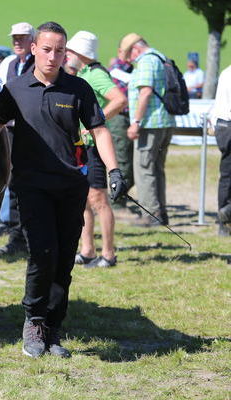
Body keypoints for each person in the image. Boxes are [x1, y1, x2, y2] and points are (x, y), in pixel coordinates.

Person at [0, 22, 126, 359]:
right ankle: (33, 323)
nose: (53, 56)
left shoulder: (78, 88)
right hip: (31, 186)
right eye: (47, 49)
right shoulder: (15, 89)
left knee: (64, 259)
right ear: (34, 48)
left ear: (66, 52)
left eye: (60, 50)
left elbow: (99, 130)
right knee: (42, 254)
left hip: (71, 186)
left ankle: (53, 329)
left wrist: (114, 170)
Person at [65, 30, 127, 269]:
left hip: (95, 147)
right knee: (84, 200)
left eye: (69, 51)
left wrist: (95, 122)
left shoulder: (95, 75)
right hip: (85, 147)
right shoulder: (85, 73)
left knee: (99, 200)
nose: (66, 55)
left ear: (80, 53)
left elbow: (119, 99)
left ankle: (109, 254)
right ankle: (88, 249)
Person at [121, 33, 175, 226]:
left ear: (136, 48)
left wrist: (136, 121)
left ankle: (150, 216)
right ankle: (161, 213)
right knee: (157, 169)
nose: (130, 59)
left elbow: (145, 92)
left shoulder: (145, 62)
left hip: (150, 124)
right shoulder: (161, 58)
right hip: (165, 122)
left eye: (130, 55)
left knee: (144, 169)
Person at [0, 22, 35, 258]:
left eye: (22, 38)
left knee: (28, 180)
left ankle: (27, 234)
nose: (17, 42)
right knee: (12, 181)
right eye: (15, 38)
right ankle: (17, 235)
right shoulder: (9, 63)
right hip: (10, 130)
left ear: (32, 40)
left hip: (31, 131)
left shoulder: (37, 64)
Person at [108, 46, 135, 211]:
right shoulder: (117, 70)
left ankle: (118, 198)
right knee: (123, 160)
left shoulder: (130, 69)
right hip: (120, 118)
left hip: (128, 118)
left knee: (130, 163)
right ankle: (117, 204)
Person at [210, 64, 231, 236]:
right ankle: (228, 211)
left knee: (226, 176)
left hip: (222, 125)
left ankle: (223, 222)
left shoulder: (226, 72)